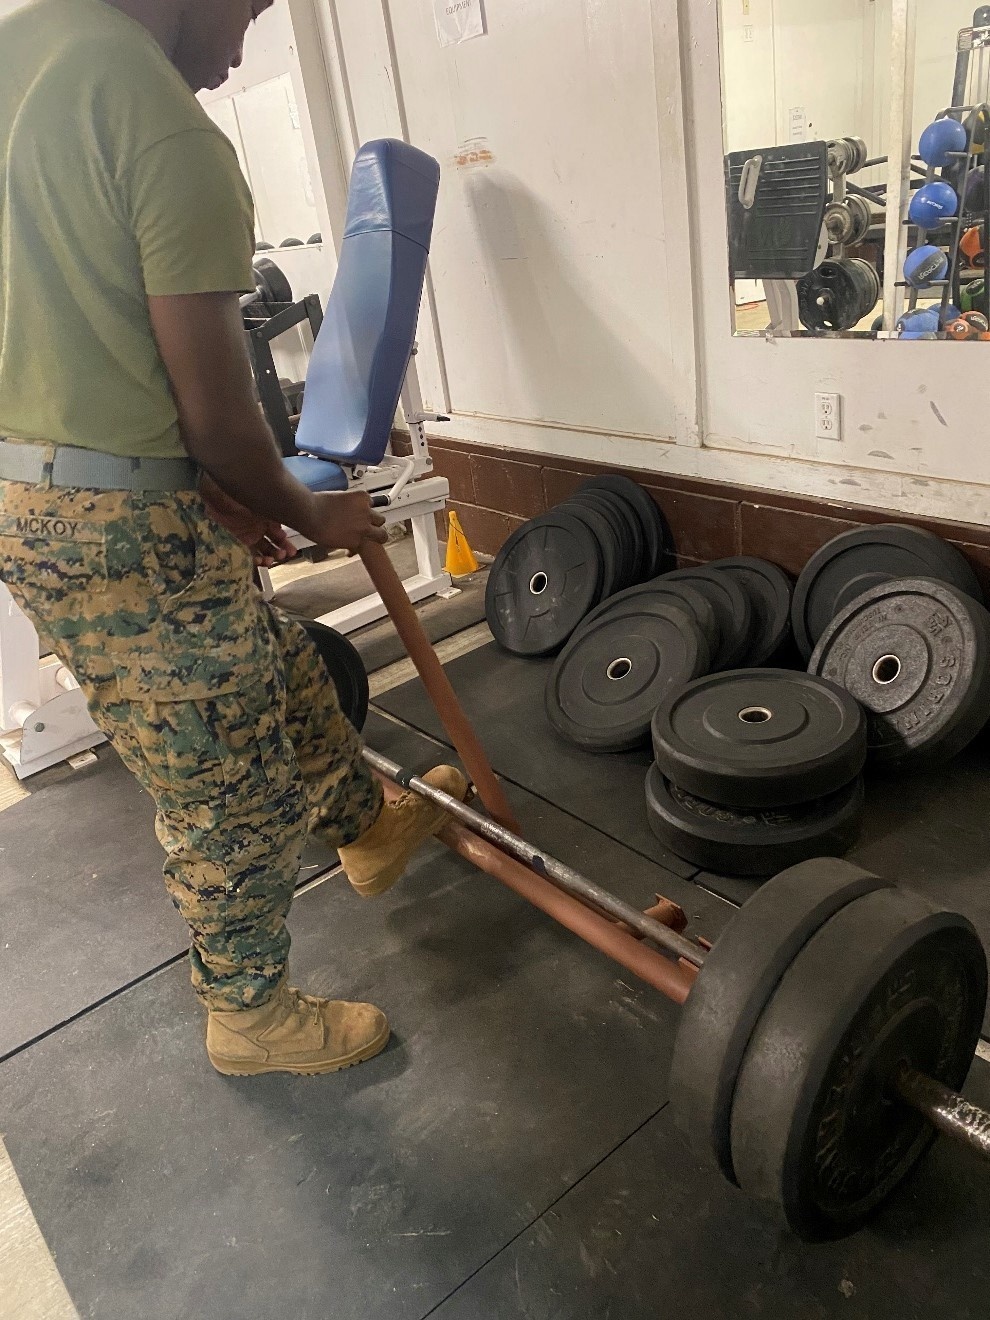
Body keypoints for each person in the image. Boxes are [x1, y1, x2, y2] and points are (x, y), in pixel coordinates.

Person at [0, 0, 468, 1077]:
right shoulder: (165, 128)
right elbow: (220, 418)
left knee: (276, 670)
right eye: (250, 10)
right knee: (227, 789)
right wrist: (314, 511)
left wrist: (199, 486)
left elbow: (81, 323)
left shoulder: (21, 49)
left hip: (49, 484)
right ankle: (247, 1014)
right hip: (118, 518)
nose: (238, 54)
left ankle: (368, 826)